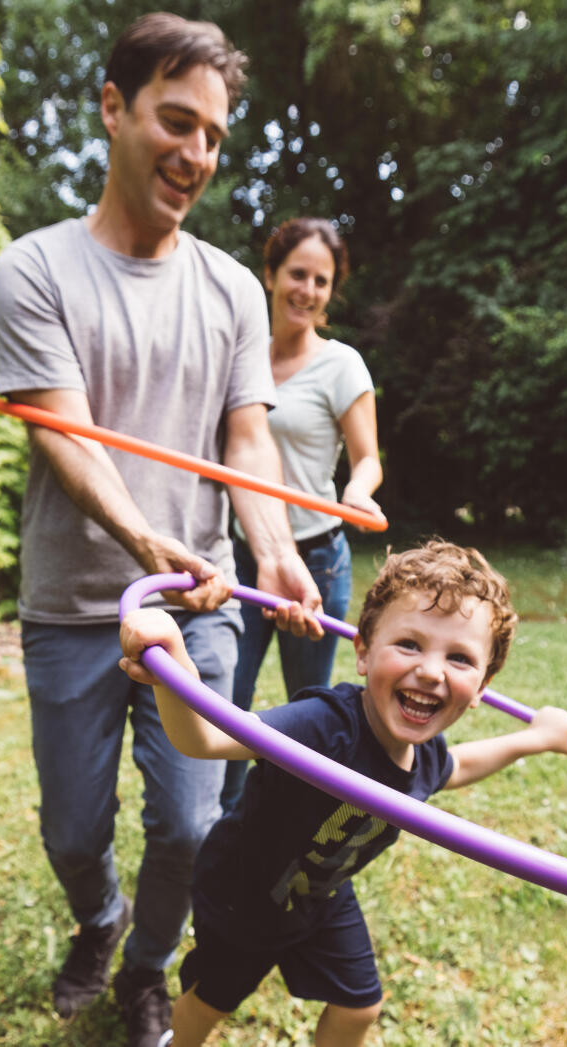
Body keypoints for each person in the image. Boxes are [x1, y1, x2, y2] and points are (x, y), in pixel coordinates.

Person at [0, 13, 323, 1046]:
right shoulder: (35, 271)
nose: (197, 155)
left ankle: (143, 969)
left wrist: (269, 546)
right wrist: (143, 540)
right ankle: (98, 916)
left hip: (198, 603)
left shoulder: (229, 287)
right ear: (112, 109)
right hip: (75, 605)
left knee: (186, 821)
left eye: (215, 136)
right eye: (176, 122)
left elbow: (246, 443)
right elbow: (70, 440)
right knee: (72, 829)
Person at [120, 540, 567, 1047]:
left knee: (360, 1006)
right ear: (363, 651)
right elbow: (208, 737)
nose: (431, 671)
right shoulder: (326, 725)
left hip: (321, 895)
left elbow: (461, 765)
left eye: (459, 658)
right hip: (244, 893)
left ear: (482, 686)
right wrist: (174, 667)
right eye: (409, 644)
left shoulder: (426, 756)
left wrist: (534, 738)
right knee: (213, 996)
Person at [224, 217, 384, 810]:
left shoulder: (341, 365)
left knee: (307, 710)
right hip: (242, 555)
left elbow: (368, 459)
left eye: (322, 280)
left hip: (317, 559)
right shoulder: (242, 357)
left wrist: (359, 491)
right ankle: (225, 824)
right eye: (297, 274)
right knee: (226, 703)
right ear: (270, 275)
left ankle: (289, 827)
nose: (308, 290)